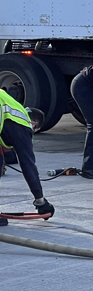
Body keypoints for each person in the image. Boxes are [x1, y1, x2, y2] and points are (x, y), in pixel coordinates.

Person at [0, 90, 55, 226]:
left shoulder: (11, 112)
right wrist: (40, 201)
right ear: (34, 124)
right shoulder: (23, 124)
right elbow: (27, 164)